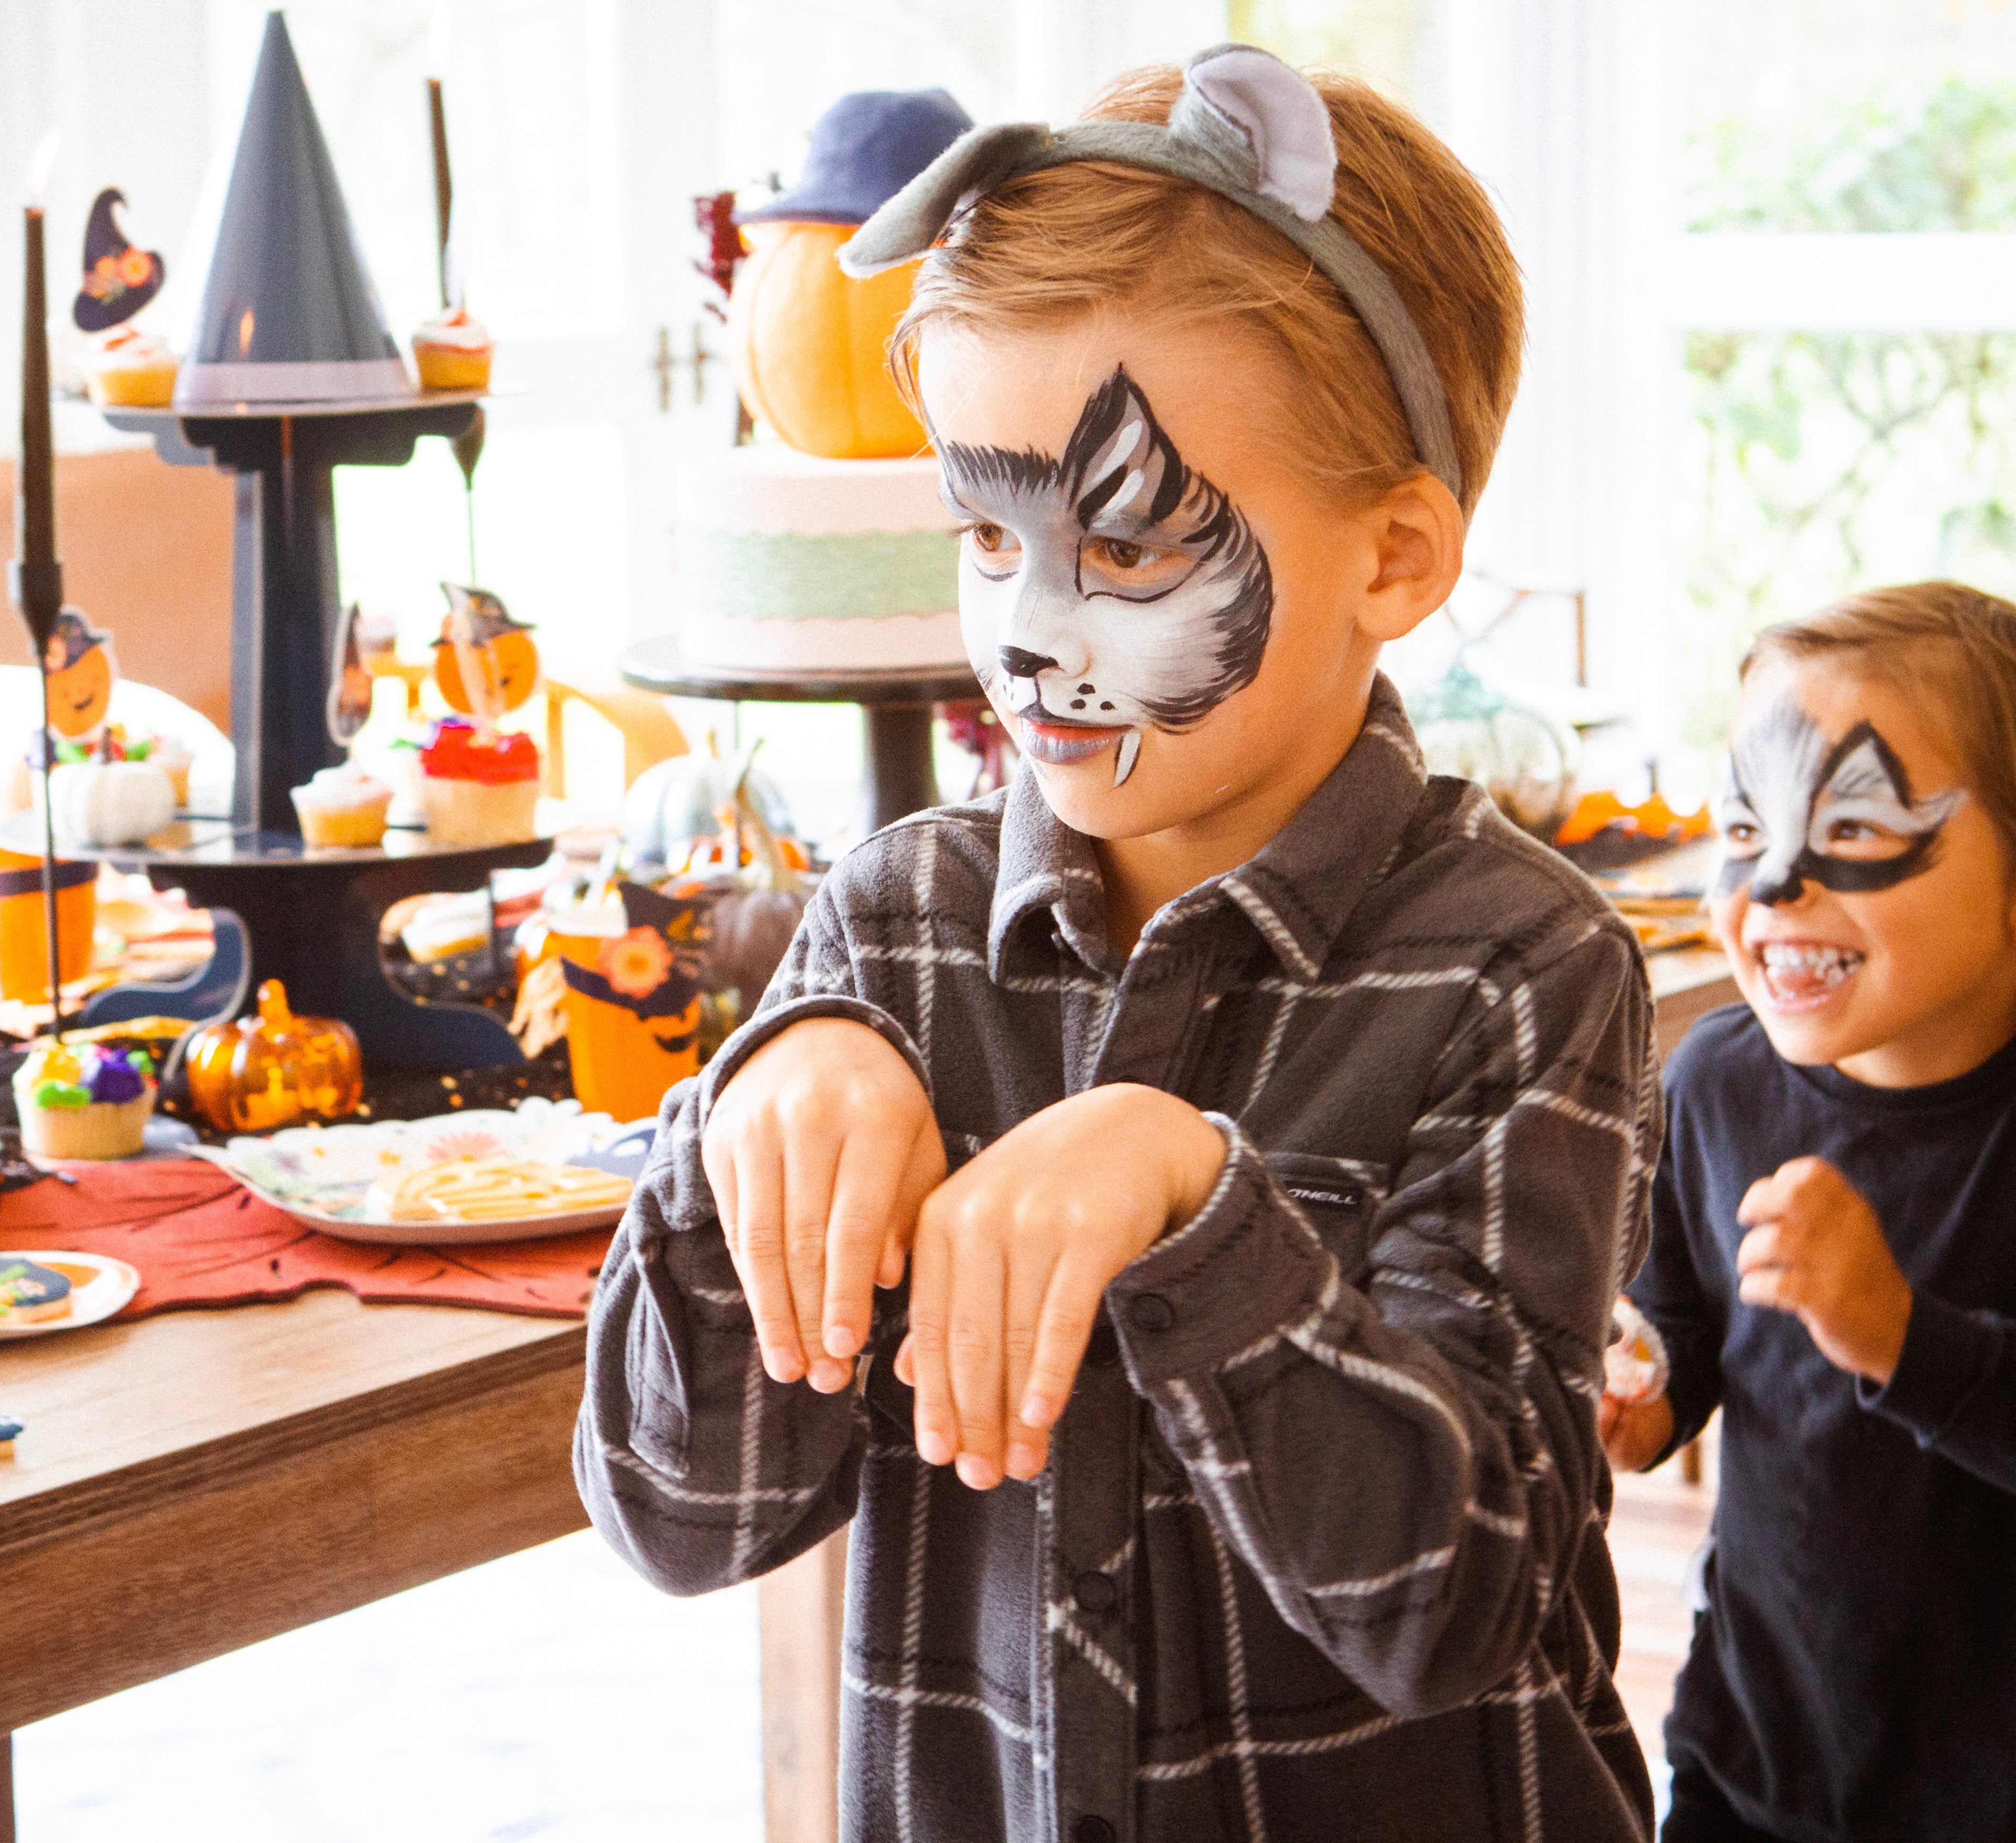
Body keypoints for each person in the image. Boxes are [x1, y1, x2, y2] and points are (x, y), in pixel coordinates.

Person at [577, 43, 1660, 1843]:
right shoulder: (889, 939)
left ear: (1392, 559)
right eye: (984, 533)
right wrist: (739, 1129)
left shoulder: (1519, 963)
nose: (1026, 631)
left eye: (1127, 546)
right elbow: (684, 1517)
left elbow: (1455, 1596)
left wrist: (1197, 1204)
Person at [1605, 583, 2016, 1843]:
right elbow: (1682, 1312)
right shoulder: (1716, 1080)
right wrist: (1646, 1392)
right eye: (1745, 825)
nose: (1773, 886)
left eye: (1854, 826)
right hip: (1754, 1750)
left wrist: (1896, 1332)